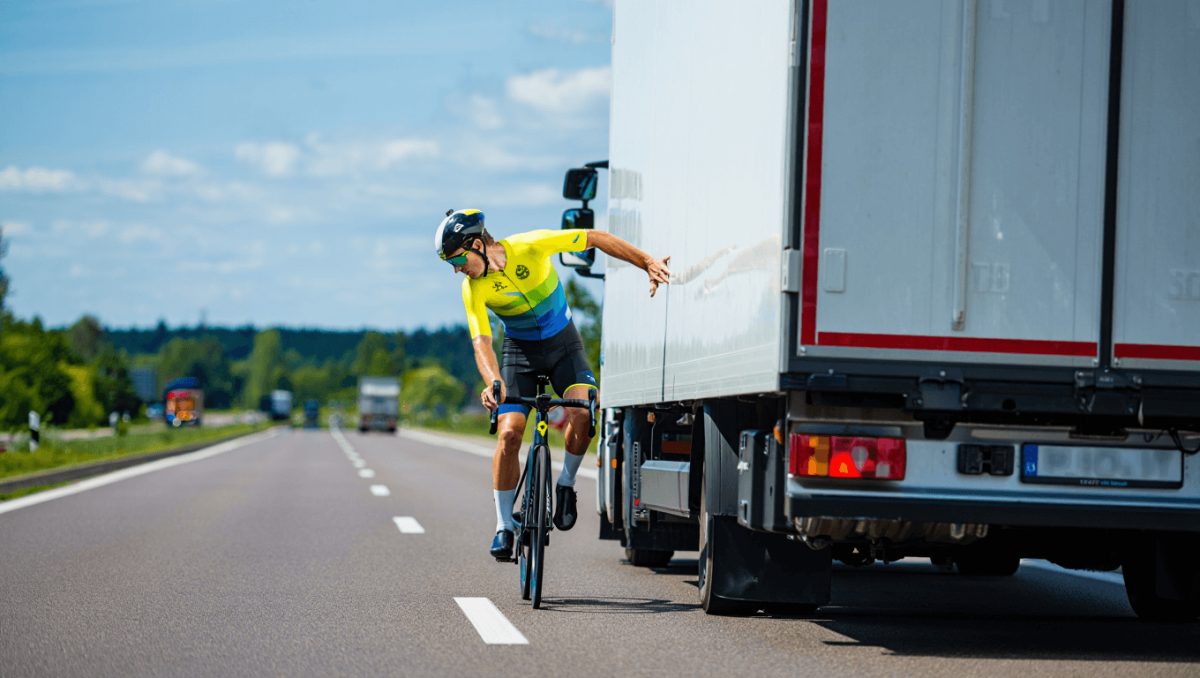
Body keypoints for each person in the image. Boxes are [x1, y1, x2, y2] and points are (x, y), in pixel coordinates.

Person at [434, 208, 671, 560]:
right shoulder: (473, 288)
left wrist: (646, 261)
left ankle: (566, 485)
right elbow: (481, 342)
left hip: (564, 347)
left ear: (477, 244)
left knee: (584, 413)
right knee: (509, 433)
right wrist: (494, 382)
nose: (456, 269)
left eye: (456, 259)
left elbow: (595, 238)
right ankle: (504, 526)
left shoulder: (531, 245)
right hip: (520, 354)